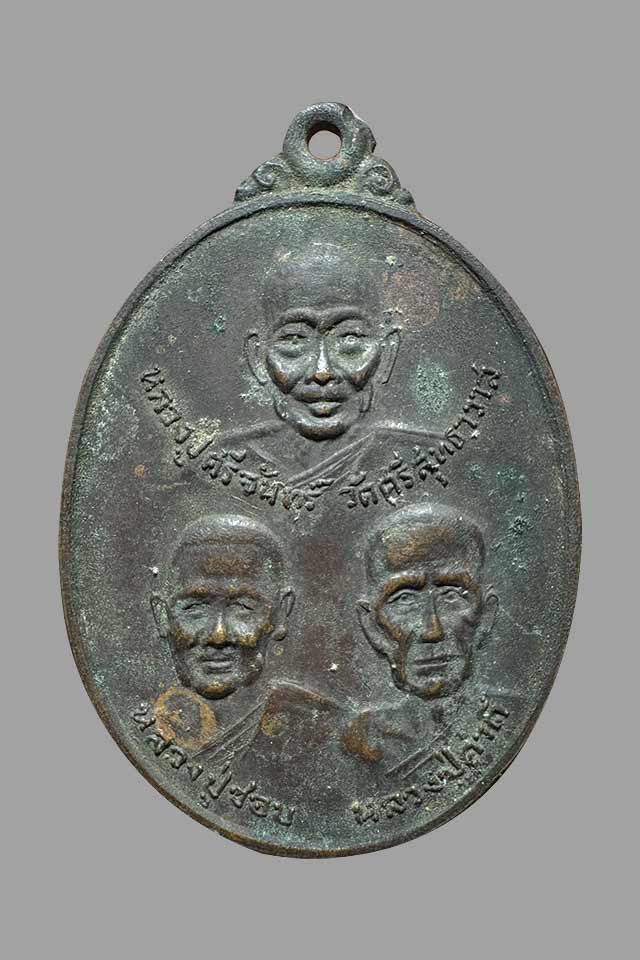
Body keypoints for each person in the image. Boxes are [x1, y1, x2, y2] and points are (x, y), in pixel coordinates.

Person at [221, 242, 440, 488]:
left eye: (349, 338)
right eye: (294, 339)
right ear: (257, 358)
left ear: (387, 354)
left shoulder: (426, 458)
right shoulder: (223, 461)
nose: (322, 372)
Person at [344, 503, 500, 773]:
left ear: (486, 614)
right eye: (404, 598)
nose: (432, 630)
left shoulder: (516, 715)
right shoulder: (359, 739)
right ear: (371, 625)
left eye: (451, 595)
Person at [150, 514, 294, 700]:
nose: (218, 636)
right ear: (161, 616)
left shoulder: (314, 715)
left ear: (280, 613)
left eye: (242, 607)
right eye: (196, 607)